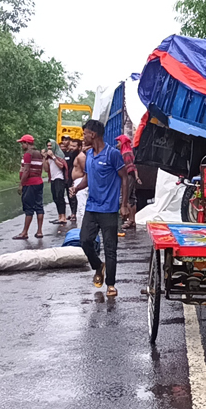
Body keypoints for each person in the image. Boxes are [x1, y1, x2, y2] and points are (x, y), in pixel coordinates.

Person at [75, 120, 126, 297]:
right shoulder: (89, 155)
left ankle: (110, 285)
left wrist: (124, 204)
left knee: (110, 247)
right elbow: (87, 178)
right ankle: (98, 266)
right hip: (92, 207)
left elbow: (125, 178)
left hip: (109, 209)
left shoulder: (113, 154)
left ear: (93, 135)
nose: (83, 137)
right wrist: (76, 188)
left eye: (85, 134)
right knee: (85, 241)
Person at [14, 134, 46, 239]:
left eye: (22, 143)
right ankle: (39, 231)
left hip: (30, 183)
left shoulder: (28, 154)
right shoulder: (38, 154)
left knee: (28, 208)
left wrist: (21, 184)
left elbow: (26, 170)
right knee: (39, 206)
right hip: (39, 182)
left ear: (27, 143)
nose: (21, 145)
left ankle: (24, 232)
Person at [116, 134, 141, 232]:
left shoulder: (126, 153)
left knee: (126, 197)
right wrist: (137, 177)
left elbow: (129, 167)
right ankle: (132, 220)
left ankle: (130, 220)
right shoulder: (128, 152)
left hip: (128, 177)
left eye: (119, 142)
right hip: (131, 177)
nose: (117, 144)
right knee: (132, 198)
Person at [46, 139, 68, 225]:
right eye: (48, 146)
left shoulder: (59, 155)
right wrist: (45, 158)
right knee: (55, 198)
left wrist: (54, 157)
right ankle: (60, 216)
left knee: (60, 197)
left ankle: (63, 216)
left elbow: (61, 166)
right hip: (53, 179)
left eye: (50, 146)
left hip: (59, 178)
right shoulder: (48, 157)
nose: (49, 148)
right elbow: (46, 168)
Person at [62, 137, 79, 221]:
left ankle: (75, 213)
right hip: (67, 177)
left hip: (74, 178)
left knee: (74, 195)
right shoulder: (66, 153)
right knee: (69, 195)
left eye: (74, 146)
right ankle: (72, 211)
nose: (72, 148)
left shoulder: (77, 155)